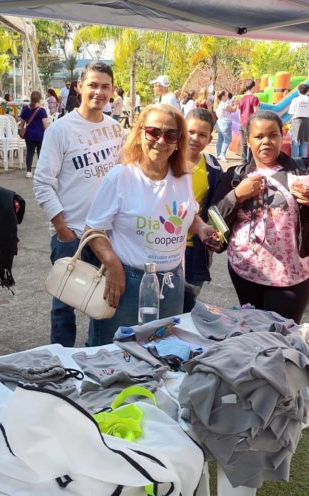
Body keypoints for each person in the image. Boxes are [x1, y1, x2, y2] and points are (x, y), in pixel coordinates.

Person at [84, 104, 221, 345]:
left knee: (162, 352)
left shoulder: (183, 178)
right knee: (114, 353)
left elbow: (189, 216)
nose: (161, 140)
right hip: (127, 282)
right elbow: (93, 230)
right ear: (139, 134)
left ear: (179, 140)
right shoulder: (120, 177)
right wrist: (113, 265)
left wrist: (201, 228)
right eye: (153, 132)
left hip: (172, 283)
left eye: (170, 134)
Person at [215, 110, 309, 323]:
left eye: (273, 135)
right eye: (259, 136)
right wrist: (236, 195)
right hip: (246, 271)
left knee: (284, 336)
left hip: (291, 275)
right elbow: (215, 219)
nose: (266, 142)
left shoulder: (305, 170)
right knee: (252, 331)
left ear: (282, 136)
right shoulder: (236, 176)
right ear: (248, 140)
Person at [33, 61, 124, 347]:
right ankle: (61, 363)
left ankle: (98, 360)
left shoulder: (116, 130)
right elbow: (42, 182)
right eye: (92, 85)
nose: (99, 92)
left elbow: (122, 180)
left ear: (112, 91)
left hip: (107, 235)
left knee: (107, 304)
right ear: (79, 87)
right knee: (63, 308)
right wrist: (61, 228)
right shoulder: (61, 130)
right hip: (71, 234)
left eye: (105, 86)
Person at [183, 108, 226, 312]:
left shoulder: (213, 168)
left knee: (187, 305)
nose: (195, 138)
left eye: (202, 134)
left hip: (194, 250)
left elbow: (218, 206)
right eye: (191, 131)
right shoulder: (164, 161)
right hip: (162, 248)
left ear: (210, 138)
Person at [19, 90, 49, 178]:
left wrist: (22, 130)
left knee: (30, 153)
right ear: (39, 99)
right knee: (41, 153)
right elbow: (45, 124)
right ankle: (40, 171)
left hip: (29, 135)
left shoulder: (25, 109)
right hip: (40, 135)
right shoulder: (42, 111)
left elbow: (22, 123)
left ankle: (28, 172)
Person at [289, 83, 309, 159]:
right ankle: (303, 160)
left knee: (295, 141)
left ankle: (295, 160)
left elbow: (291, 112)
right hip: (305, 121)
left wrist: (289, 122)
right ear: (308, 91)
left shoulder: (295, 100)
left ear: (298, 91)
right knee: (304, 142)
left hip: (296, 120)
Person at [237, 80, 260, 161]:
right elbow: (256, 112)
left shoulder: (242, 99)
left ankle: (243, 161)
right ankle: (251, 161)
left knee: (244, 143)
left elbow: (239, 113)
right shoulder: (254, 98)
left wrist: (241, 122)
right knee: (252, 142)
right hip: (251, 123)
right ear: (253, 87)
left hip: (243, 123)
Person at [214, 90, 235, 162]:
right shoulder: (224, 104)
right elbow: (233, 110)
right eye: (226, 95)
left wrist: (232, 103)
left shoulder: (220, 104)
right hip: (225, 124)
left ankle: (219, 154)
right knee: (227, 140)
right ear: (223, 96)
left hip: (220, 123)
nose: (227, 96)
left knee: (220, 139)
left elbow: (230, 108)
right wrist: (237, 104)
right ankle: (222, 155)